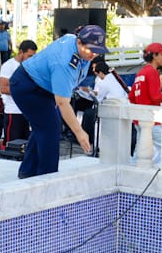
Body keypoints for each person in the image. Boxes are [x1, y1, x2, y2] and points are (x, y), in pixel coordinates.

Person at [8, 25, 101, 178]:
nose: (94, 54)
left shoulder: (76, 44)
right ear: (79, 42)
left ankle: (28, 171)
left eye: (98, 50)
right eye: (91, 49)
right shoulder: (64, 62)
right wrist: (79, 132)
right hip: (28, 87)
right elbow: (63, 102)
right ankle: (48, 177)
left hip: (44, 88)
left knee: (44, 125)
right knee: (51, 128)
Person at [0, 39, 38, 144]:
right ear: (21, 52)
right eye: (29, 56)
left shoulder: (31, 67)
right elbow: (3, 88)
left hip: (28, 111)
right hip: (14, 111)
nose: (31, 59)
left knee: (26, 145)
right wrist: (23, 90)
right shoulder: (8, 66)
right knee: (12, 144)